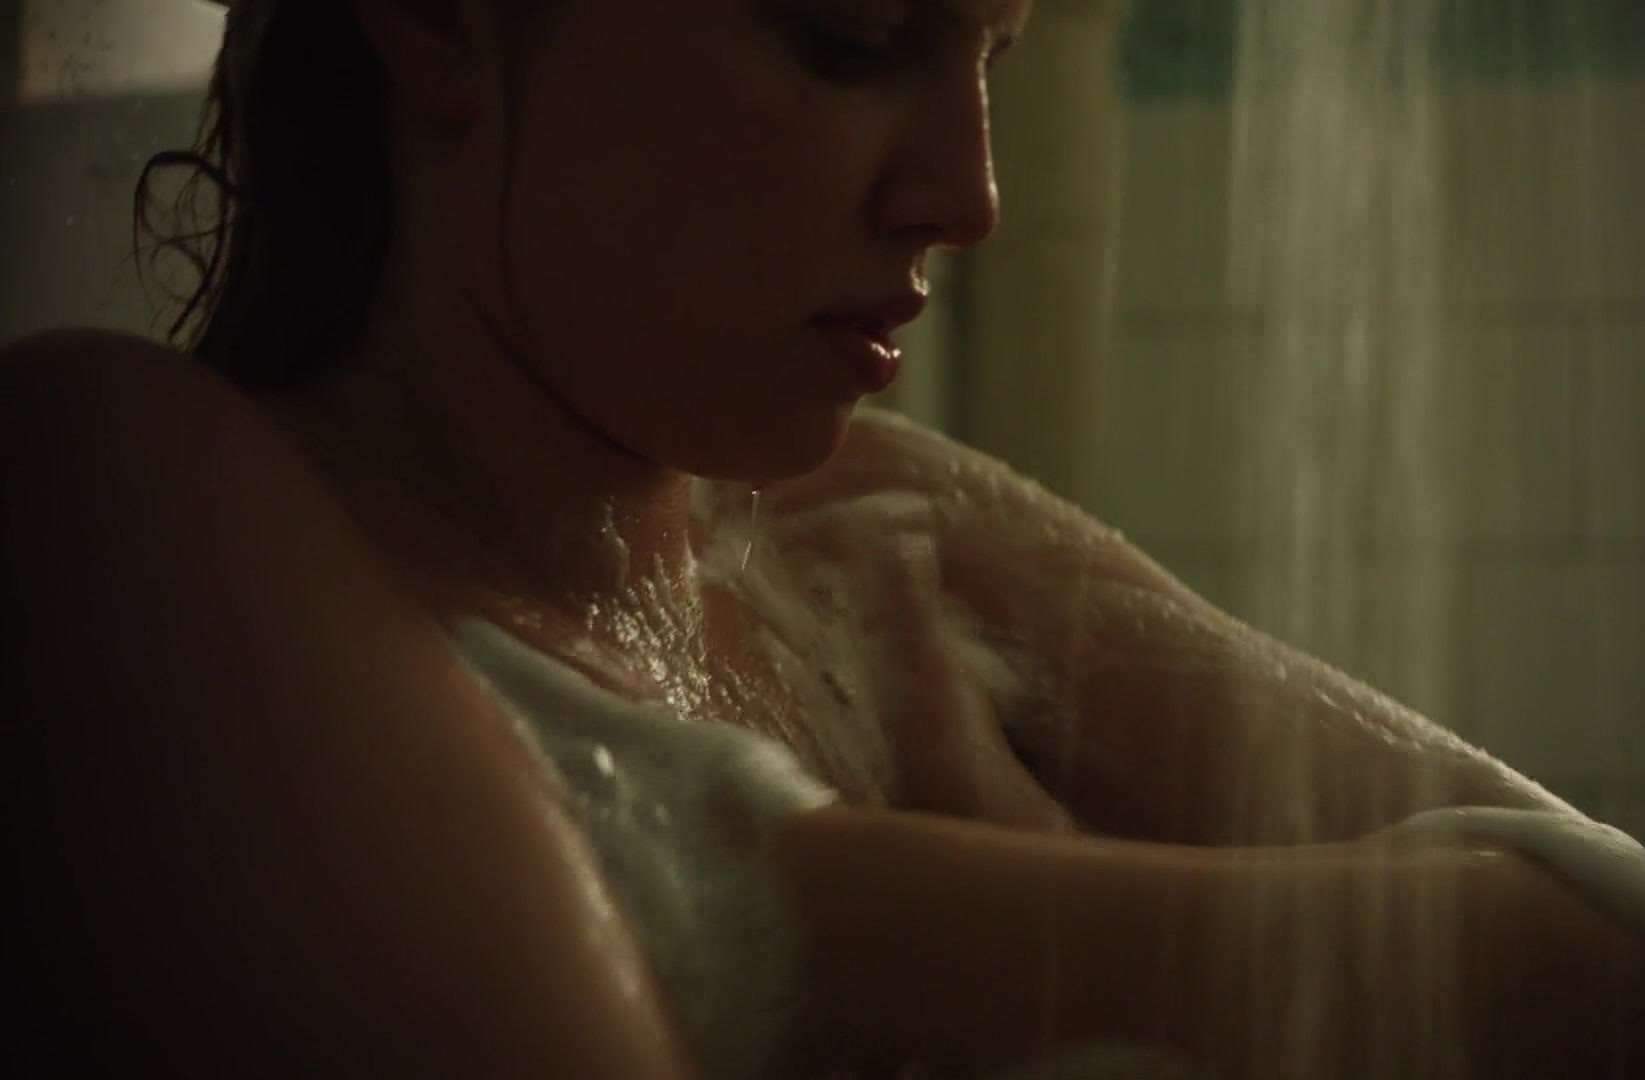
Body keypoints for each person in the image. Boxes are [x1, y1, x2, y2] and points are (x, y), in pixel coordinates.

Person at [2, 0, 1640, 1076]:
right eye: (848, 40)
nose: (966, 195)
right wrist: (865, 896)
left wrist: (936, 883)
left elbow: (1602, 943)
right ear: (439, 20)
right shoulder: (113, 477)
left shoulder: (889, 529)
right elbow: (1492, 967)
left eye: (991, 57)